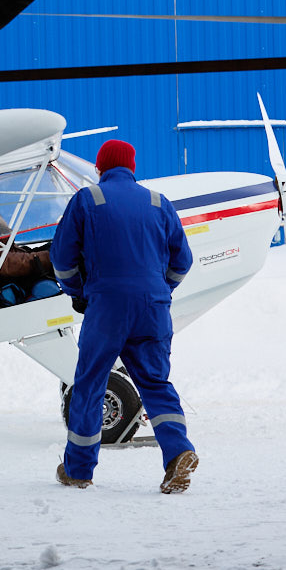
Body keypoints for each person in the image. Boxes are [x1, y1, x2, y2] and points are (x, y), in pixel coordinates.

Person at [49, 139, 198, 493]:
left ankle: (78, 470)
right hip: (153, 308)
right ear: (132, 167)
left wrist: (78, 292)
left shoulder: (87, 199)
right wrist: (159, 290)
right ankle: (179, 453)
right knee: (155, 383)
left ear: (99, 167)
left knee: (90, 383)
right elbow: (183, 262)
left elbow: (61, 260)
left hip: (107, 306)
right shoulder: (159, 202)